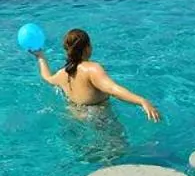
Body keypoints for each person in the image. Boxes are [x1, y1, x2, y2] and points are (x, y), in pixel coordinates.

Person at [33, 28, 162, 122]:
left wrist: (40, 57)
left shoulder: (63, 73)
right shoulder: (92, 69)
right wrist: (142, 101)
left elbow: (47, 78)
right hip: (99, 120)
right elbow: (113, 89)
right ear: (87, 47)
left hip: (74, 120)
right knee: (115, 155)